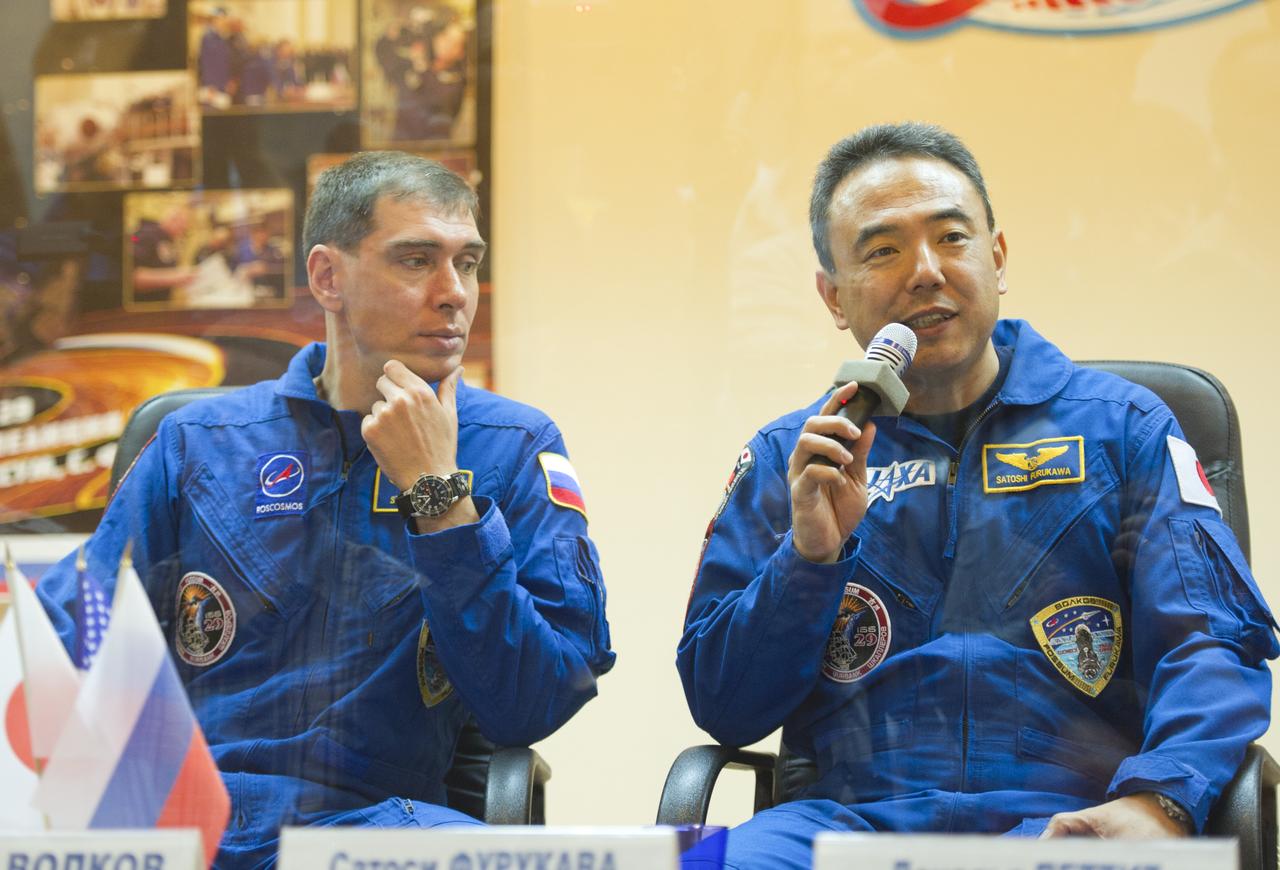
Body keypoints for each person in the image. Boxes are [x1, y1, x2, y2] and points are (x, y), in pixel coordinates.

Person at [677, 122, 1276, 869]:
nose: (926, 272)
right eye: (883, 250)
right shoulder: (793, 461)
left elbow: (1208, 643)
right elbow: (724, 707)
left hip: (1063, 823)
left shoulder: (1124, 430)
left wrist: (1161, 798)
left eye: (952, 238)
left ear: (997, 258)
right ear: (833, 296)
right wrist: (807, 560)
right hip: (846, 827)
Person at [37, 152, 615, 867]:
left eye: (467, 263)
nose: (454, 294)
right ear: (327, 277)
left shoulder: (512, 444)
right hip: (187, 823)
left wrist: (439, 496)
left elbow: (534, 703)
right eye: (416, 260)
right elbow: (70, 639)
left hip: (371, 830)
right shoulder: (202, 441)